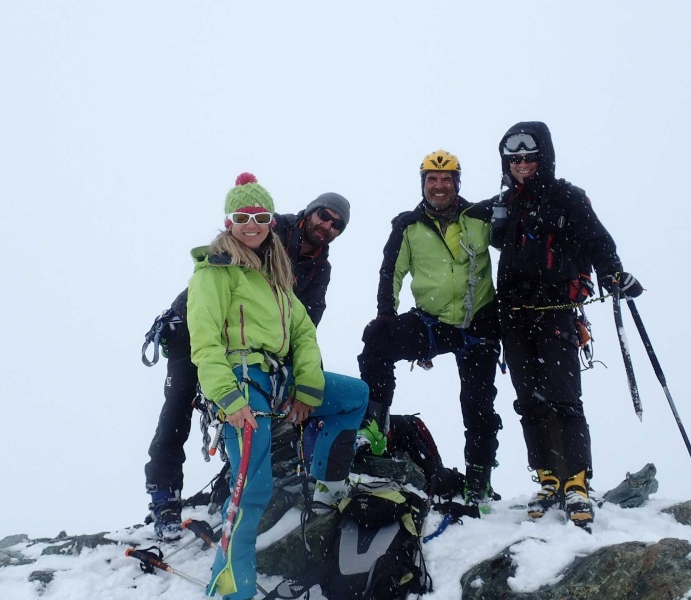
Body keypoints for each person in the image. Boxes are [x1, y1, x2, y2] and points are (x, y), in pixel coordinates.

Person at [187, 173, 367, 600]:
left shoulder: (275, 275)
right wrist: (229, 400)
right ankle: (232, 589)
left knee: (354, 396)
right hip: (243, 382)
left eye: (260, 215)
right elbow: (205, 343)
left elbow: (304, 333)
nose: (252, 223)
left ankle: (325, 485)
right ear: (229, 220)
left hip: (279, 382)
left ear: (271, 220)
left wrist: (307, 389)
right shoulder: (216, 272)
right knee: (253, 489)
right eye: (242, 215)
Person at [144, 186, 353, 541]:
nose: (328, 225)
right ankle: (164, 498)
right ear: (309, 212)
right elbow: (216, 279)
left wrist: (299, 373)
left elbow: (307, 317)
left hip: (251, 346)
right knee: (180, 402)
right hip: (197, 331)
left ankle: (230, 486)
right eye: (324, 215)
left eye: (337, 224)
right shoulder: (274, 231)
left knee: (251, 407)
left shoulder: (320, 266)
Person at [490, 121, 643, 527]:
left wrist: (615, 275)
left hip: (556, 311)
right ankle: (548, 478)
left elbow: (598, 241)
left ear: (544, 157)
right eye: (514, 158)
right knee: (529, 401)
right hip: (513, 315)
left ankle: (576, 483)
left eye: (529, 157)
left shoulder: (568, 198)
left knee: (564, 398)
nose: (522, 164)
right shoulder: (506, 204)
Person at [357, 149, 502, 508]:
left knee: (478, 404)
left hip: (480, 322)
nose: (439, 186)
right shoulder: (408, 225)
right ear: (423, 183)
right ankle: (374, 427)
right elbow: (391, 272)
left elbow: (517, 239)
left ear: (457, 182)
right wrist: (385, 314)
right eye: (432, 179)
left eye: (447, 179)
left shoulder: (479, 217)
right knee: (376, 345)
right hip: (432, 322)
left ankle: (479, 481)